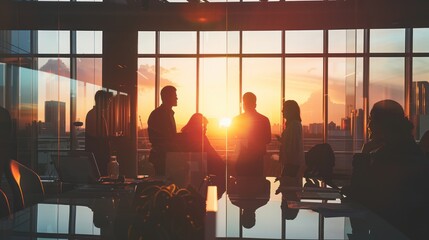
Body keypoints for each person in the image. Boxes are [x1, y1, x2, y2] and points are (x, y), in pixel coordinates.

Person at [347, 99, 429, 239]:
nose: (369, 125)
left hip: (391, 231)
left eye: (372, 119)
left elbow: (359, 195)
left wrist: (364, 154)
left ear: (383, 124)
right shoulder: (410, 151)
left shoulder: (390, 155)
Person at [231, 92, 271, 176]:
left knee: (242, 183)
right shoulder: (264, 120)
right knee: (256, 183)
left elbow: (232, 137)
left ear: (243, 104)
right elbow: (268, 139)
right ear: (255, 104)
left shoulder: (237, 120)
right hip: (257, 159)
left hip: (242, 158)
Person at [179, 113, 226, 178]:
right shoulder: (201, 138)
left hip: (190, 166)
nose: (206, 129)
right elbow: (212, 153)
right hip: (202, 165)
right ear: (199, 126)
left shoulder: (184, 136)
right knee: (223, 168)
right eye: (205, 127)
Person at [147, 85, 178, 176]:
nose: (177, 98)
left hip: (165, 156)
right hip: (162, 157)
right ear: (167, 97)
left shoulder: (164, 113)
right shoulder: (159, 114)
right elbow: (158, 138)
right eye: (174, 95)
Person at [85, 90, 112, 176]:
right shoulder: (94, 115)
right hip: (98, 158)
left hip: (99, 157)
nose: (109, 102)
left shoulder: (95, 114)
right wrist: (112, 138)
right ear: (101, 100)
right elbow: (96, 138)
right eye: (108, 100)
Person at [279, 100, 305, 179]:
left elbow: (292, 146)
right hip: (292, 163)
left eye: (284, 108)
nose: (282, 111)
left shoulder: (294, 125)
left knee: (288, 184)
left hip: (291, 164)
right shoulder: (294, 125)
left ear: (290, 111)